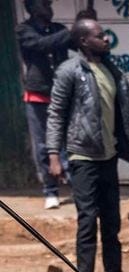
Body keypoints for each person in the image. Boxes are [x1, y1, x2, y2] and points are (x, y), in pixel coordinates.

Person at [46, 18, 129, 272]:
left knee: (112, 223)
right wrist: (54, 154)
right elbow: (56, 114)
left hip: (108, 156)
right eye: (100, 36)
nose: (106, 40)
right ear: (83, 42)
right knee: (87, 222)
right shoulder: (69, 72)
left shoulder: (112, 70)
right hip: (83, 157)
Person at [16, 0, 71, 209]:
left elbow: (78, 40)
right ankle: (51, 190)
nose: (49, 6)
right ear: (32, 7)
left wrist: (85, 22)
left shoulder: (59, 29)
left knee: (69, 141)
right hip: (38, 94)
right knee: (43, 145)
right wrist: (71, 31)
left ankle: (78, 185)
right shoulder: (23, 30)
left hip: (62, 93)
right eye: (44, 3)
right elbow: (41, 45)